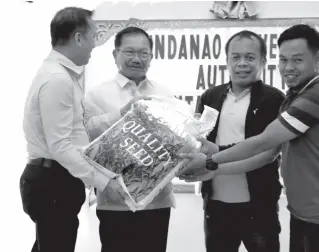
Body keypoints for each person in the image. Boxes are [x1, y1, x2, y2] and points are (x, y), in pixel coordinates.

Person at [180, 24, 319, 252]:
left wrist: (211, 162)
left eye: (298, 60)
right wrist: (209, 158)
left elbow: (264, 145)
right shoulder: (294, 96)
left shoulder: (313, 97)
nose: (288, 67)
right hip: (301, 211)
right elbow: (267, 149)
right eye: (283, 60)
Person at [20, 7, 127, 252]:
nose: (94, 44)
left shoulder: (65, 76)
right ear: (78, 38)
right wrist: (102, 181)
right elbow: (60, 145)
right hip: (53, 180)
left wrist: (120, 114)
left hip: (56, 178)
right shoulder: (57, 79)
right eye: (93, 36)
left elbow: (81, 127)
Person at [180, 30, 285, 252]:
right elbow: (199, 142)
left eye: (250, 57)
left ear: (263, 61)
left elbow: (266, 151)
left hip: (259, 205)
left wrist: (213, 161)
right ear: (227, 60)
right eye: (235, 57)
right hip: (216, 204)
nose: (242, 64)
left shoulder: (274, 99)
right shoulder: (210, 97)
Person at [84, 26, 175, 252]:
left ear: (151, 57)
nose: (137, 59)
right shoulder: (96, 94)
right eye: (130, 52)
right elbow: (86, 135)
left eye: (144, 53)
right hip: (115, 201)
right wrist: (123, 113)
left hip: (157, 199)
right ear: (115, 55)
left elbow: (177, 139)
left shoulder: (165, 94)